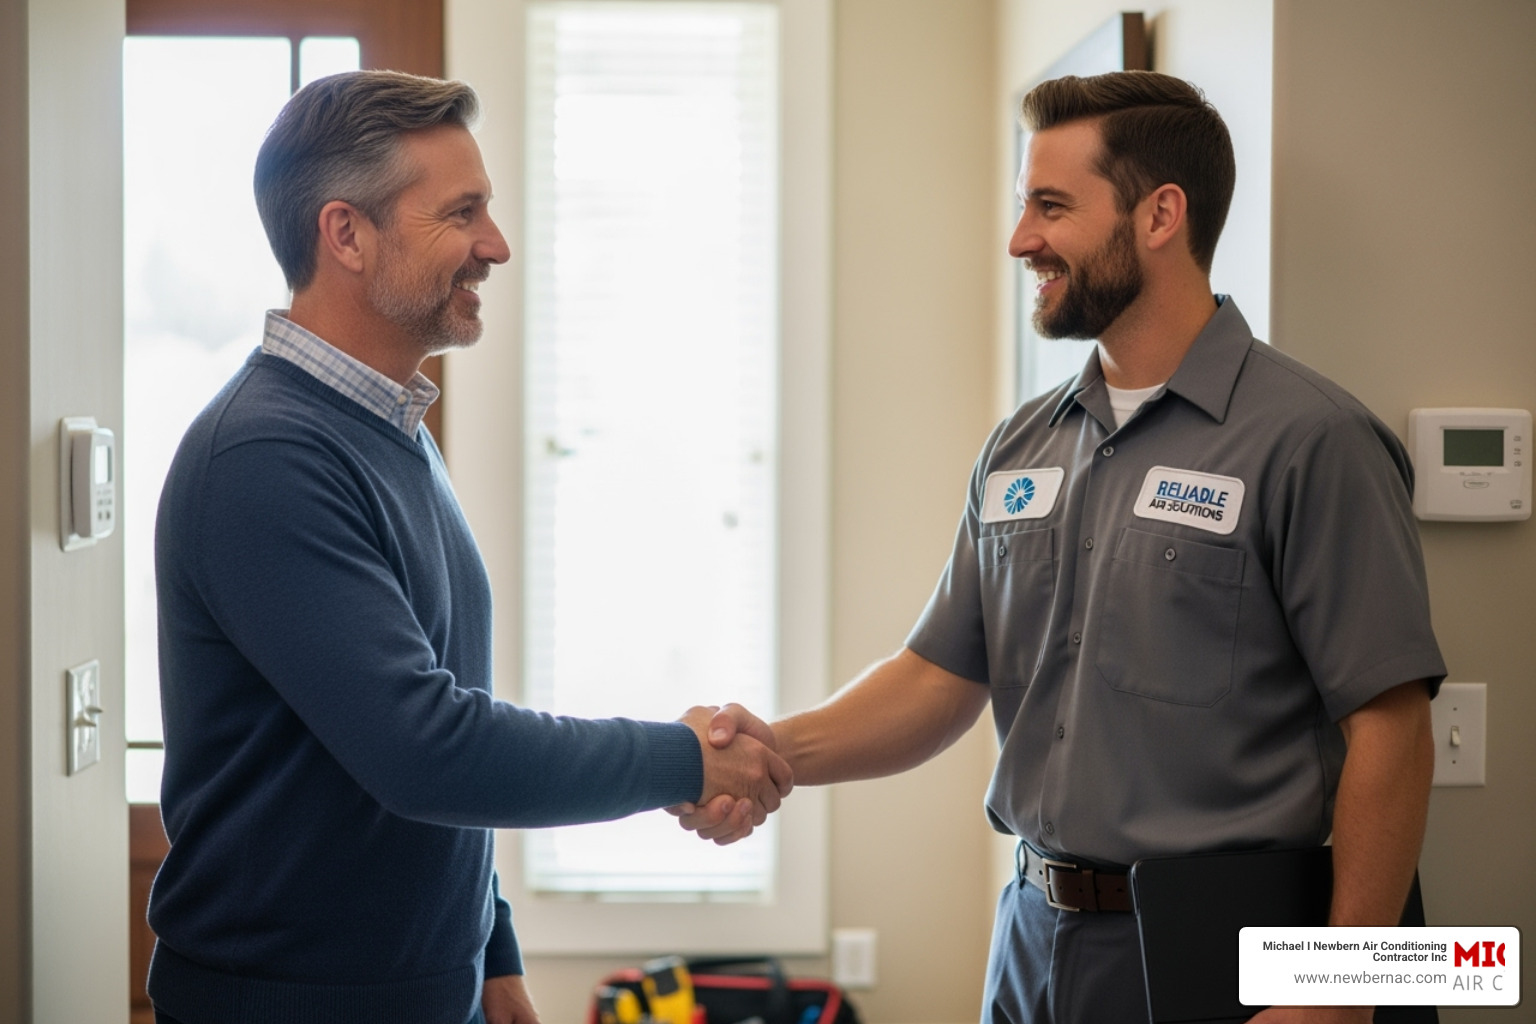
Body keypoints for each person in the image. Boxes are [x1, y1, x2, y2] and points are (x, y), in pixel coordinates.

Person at [678, 71, 1443, 1024]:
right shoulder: (1020, 446)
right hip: (1035, 942)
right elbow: (937, 679)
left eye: (1052, 207)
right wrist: (763, 750)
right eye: (1023, 206)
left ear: (1161, 214)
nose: (1020, 240)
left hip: (1226, 953)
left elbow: (1393, 729)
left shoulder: (1313, 440)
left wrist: (1339, 997)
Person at [148, 70, 790, 1024]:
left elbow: (433, 708)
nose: (496, 246)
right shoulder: (266, 456)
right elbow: (427, 749)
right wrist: (686, 760)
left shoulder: (391, 431)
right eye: (463, 213)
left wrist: (490, 951)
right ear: (347, 234)